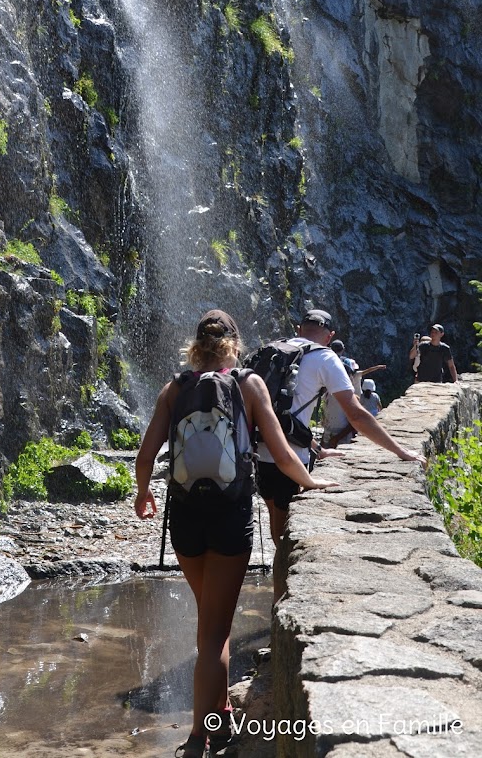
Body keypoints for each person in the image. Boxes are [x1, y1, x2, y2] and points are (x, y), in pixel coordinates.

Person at [134, 310, 338, 758]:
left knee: (211, 624)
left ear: (196, 345)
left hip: (185, 519)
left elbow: (147, 453)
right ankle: (196, 736)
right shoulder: (249, 384)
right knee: (213, 636)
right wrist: (312, 483)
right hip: (229, 517)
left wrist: (143, 493)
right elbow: (282, 456)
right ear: (235, 343)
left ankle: (222, 715)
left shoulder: (176, 387)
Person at [255, 308, 427, 544]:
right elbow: (356, 414)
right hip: (292, 457)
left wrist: (319, 449)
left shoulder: (275, 350)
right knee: (285, 537)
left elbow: (279, 413)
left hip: (260, 450)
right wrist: (401, 452)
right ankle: (280, 578)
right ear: (329, 336)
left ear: (298, 329)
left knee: (275, 523)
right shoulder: (325, 357)